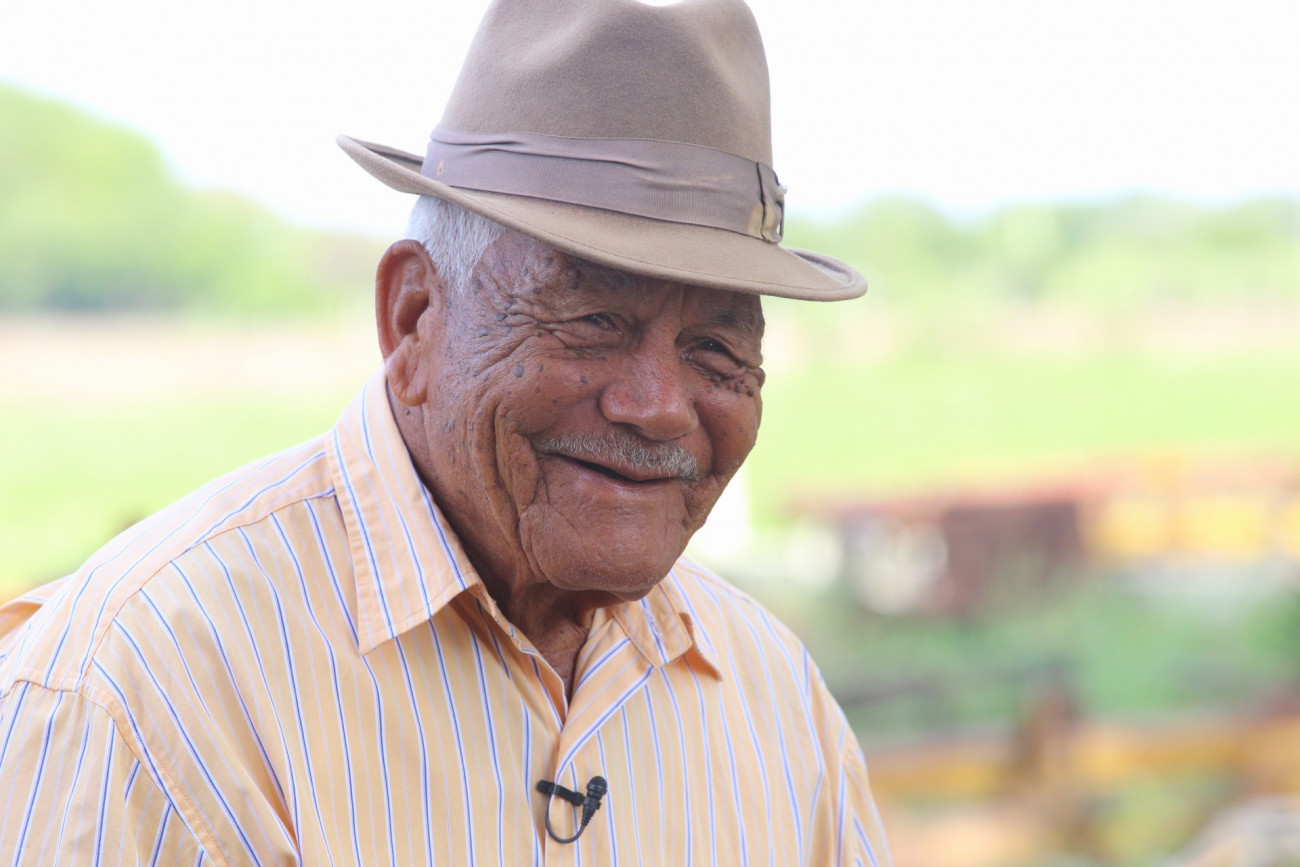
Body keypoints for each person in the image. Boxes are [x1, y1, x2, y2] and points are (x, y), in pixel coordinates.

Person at [0, 0, 892, 863]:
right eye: (593, 320)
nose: (659, 405)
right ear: (415, 316)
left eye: (717, 349)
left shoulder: (777, 701)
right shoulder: (143, 686)